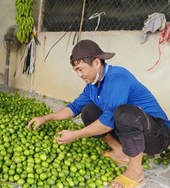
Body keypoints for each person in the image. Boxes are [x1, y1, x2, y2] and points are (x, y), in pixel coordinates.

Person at [27, 39, 170, 188]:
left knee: (123, 113)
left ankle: (135, 171)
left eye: (81, 69)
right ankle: (120, 151)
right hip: (135, 131)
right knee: (89, 110)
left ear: (96, 62)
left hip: (157, 136)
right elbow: (74, 107)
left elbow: (108, 121)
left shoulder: (117, 78)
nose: (79, 74)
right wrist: (45, 118)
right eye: (76, 70)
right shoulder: (92, 86)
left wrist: (75, 134)